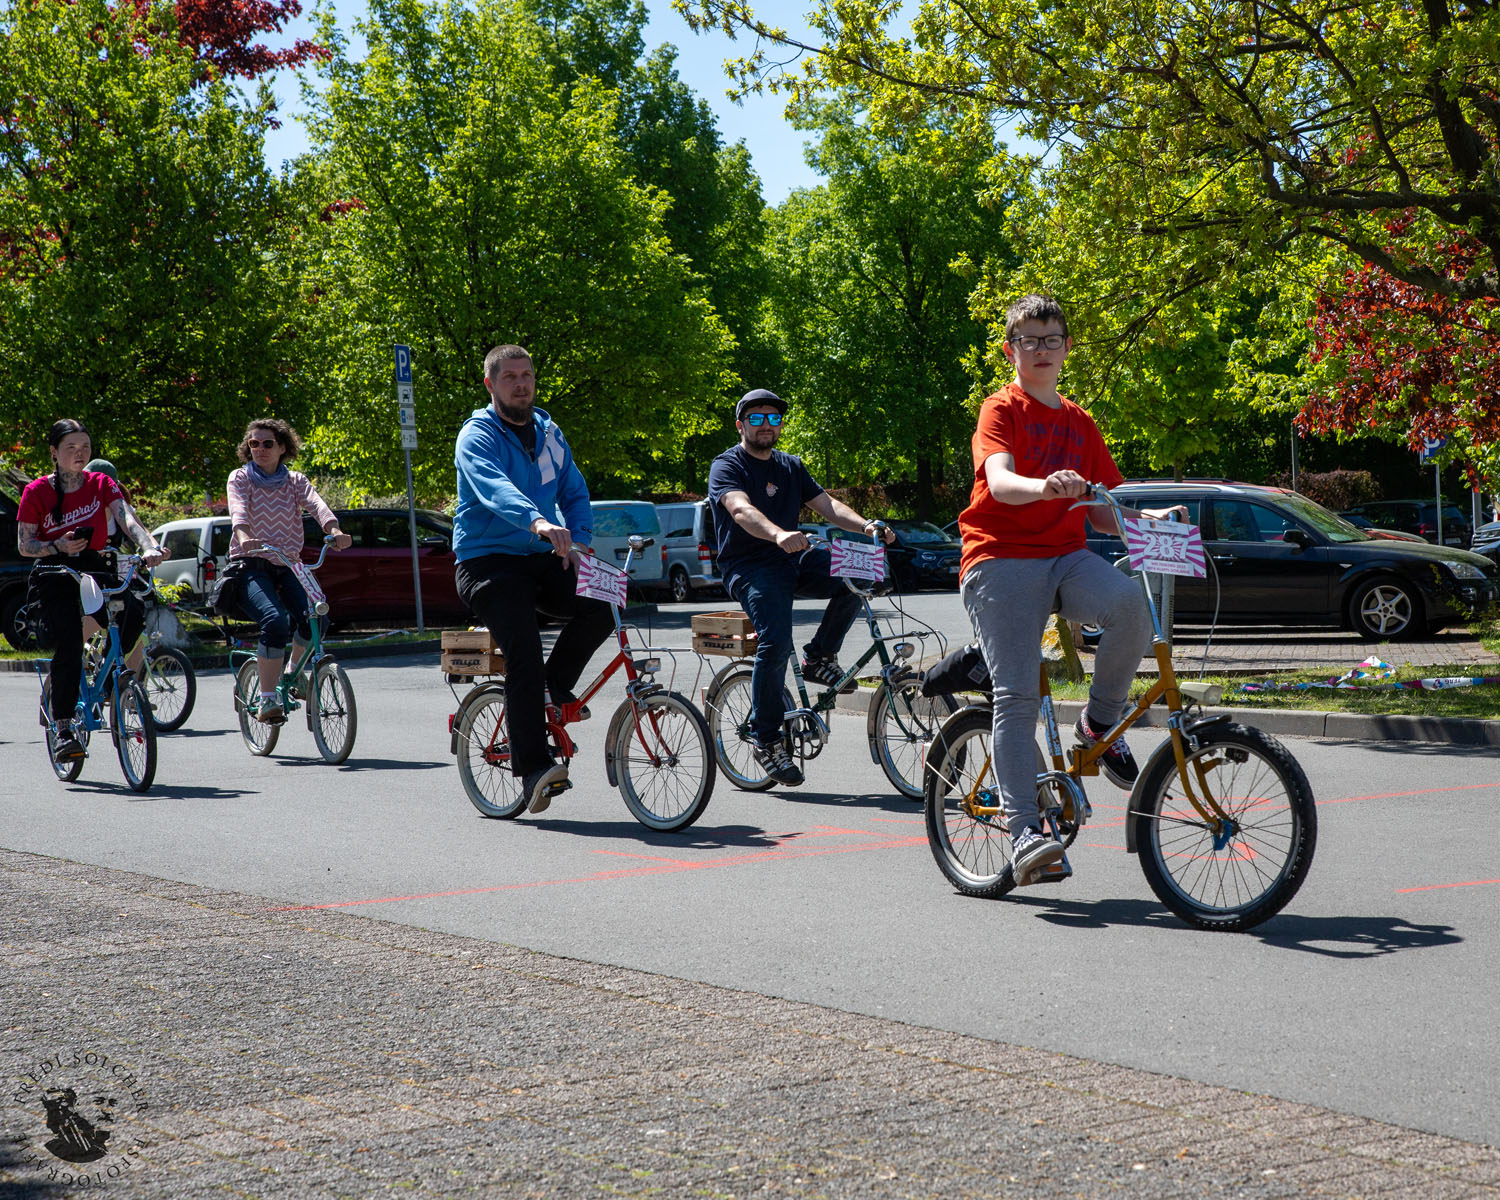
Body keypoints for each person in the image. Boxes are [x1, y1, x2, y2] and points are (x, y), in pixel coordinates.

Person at [958, 294, 1181, 884]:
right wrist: (1047, 487)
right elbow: (1001, 484)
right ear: (1011, 350)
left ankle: (1096, 727)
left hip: (1064, 555)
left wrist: (1148, 522)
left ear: (1066, 348)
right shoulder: (999, 409)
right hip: (999, 558)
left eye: (1050, 339)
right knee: (1017, 697)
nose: (1040, 350)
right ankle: (1025, 832)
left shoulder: (1080, 422)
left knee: (1132, 604)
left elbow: (1106, 506)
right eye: (1028, 341)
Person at [453, 344, 615, 814]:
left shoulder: (548, 432)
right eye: (509, 377)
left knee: (602, 604)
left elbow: (574, 490)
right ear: (491, 384)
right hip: (487, 563)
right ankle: (533, 767)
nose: (521, 384)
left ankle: (553, 691)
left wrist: (579, 544)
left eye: (527, 375)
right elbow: (493, 488)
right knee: (523, 650)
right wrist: (537, 521)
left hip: (542, 555)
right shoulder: (477, 434)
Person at [707, 388, 895, 787]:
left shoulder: (790, 466)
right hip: (751, 565)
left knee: (864, 573)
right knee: (775, 641)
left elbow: (827, 505)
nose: (765, 426)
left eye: (773, 419)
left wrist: (866, 526)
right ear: (740, 424)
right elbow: (740, 509)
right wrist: (777, 534)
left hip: (794, 554)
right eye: (755, 418)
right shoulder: (727, 465)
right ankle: (767, 738)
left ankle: (820, 657)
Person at [17, 420, 165, 762]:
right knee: (69, 642)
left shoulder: (101, 483)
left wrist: (149, 545)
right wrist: (56, 546)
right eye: (71, 448)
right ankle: (65, 728)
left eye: (85, 446)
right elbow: (25, 544)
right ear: (54, 453)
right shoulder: (36, 492)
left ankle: (107, 679)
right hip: (55, 571)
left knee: (132, 616)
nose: (79, 453)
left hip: (97, 566)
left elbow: (126, 517)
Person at [226, 419, 350, 726]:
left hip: (289, 563)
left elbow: (317, 505)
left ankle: (293, 673)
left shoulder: (295, 481)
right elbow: (238, 511)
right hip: (251, 564)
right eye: (254, 444)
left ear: (283, 448)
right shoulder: (241, 478)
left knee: (318, 616)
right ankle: (267, 699)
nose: (260, 449)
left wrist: (334, 530)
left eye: (268, 444)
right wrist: (244, 537)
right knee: (275, 621)